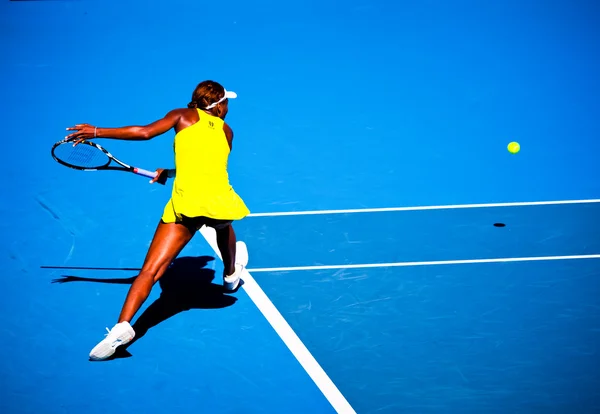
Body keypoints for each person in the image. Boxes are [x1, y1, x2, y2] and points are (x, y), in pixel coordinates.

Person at [65, 80, 250, 361]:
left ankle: (121, 329)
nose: (229, 108)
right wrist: (172, 172)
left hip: (187, 204)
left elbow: (145, 132)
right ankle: (230, 275)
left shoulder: (182, 115)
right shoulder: (227, 132)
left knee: (150, 271)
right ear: (218, 106)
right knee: (223, 226)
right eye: (227, 103)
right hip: (219, 201)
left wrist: (96, 131)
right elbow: (209, 166)